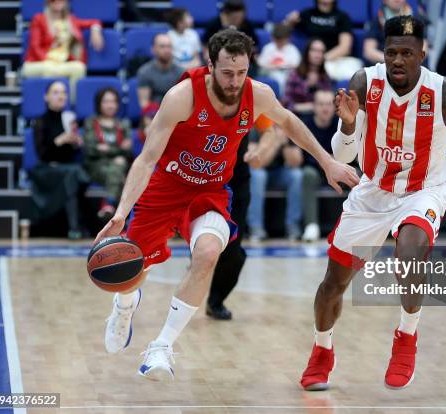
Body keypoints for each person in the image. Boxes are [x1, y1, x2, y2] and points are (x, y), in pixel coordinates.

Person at [94, 29, 359, 381]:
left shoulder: (258, 94)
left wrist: (327, 161)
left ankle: (162, 345)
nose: (235, 82)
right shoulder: (181, 97)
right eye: (227, 73)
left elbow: (288, 122)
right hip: (166, 188)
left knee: (207, 253)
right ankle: (125, 305)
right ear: (209, 66)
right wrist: (121, 213)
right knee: (129, 271)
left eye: (241, 72)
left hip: (210, 193)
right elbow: (145, 160)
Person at [299, 16, 446, 391]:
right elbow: (343, 155)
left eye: (407, 53)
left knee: (410, 254)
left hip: (423, 190)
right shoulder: (365, 83)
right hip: (373, 189)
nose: (398, 60)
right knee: (333, 284)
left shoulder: (445, 91)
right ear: (383, 53)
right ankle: (322, 350)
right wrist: (348, 127)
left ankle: (406, 336)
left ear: (422, 53)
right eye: (392, 52)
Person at [206, 114, 279, 320]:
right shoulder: (196, 93)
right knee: (205, 247)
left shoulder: (254, 95)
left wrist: (260, 150)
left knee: (233, 251)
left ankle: (215, 300)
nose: (235, 80)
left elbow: (269, 131)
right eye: (230, 77)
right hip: (202, 177)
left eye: (240, 77)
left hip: (236, 180)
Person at [30, 80, 89, 239]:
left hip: (66, 168)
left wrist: (76, 143)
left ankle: (74, 227)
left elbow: (71, 155)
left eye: (63, 92)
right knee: (75, 174)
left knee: (71, 174)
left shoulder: (69, 119)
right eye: (56, 92)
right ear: (46, 97)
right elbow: (42, 154)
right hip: (47, 169)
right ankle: (76, 226)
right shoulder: (40, 121)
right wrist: (59, 141)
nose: (61, 96)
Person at [22, 0, 104, 94]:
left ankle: (72, 103)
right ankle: (49, 103)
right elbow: (35, 46)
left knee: (79, 67)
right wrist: (49, 59)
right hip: (40, 63)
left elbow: (93, 22)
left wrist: (96, 29)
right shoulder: (39, 19)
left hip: (62, 64)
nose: (58, 1)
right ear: (48, 2)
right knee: (48, 69)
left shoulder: (71, 20)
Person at [247, 126, 304, 241]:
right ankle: (255, 227)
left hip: (278, 173)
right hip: (259, 171)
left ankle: (292, 226)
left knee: (296, 175)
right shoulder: (257, 128)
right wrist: (276, 144)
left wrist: (285, 144)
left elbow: (296, 162)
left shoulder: (288, 128)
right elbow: (257, 163)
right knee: (258, 175)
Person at [83, 87, 132, 219]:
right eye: (106, 101)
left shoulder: (123, 125)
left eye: (113, 101)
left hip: (118, 165)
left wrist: (106, 148)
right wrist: (117, 149)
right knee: (121, 176)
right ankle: (120, 219)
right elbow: (90, 149)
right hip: (96, 166)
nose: (110, 105)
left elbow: (128, 150)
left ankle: (109, 209)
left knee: (119, 168)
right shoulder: (91, 122)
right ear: (99, 103)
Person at [284, 0, 362, 81]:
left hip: (337, 59)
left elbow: (345, 47)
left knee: (355, 76)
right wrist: (289, 21)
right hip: (314, 60)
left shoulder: (342, 16)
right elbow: (281, 32)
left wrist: (322, 58)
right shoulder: (307, 14)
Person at [301, 89, 338, 242]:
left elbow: (351, 154)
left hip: (338, 169)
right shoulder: (305, 124)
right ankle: (311, 226)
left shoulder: (342, 123)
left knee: (360, 176)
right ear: (314, 106)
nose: (325, 108)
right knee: (307, 175)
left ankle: (361, 227)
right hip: (314, 169)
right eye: (321, 104)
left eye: (329, 104)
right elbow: (298, 158)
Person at [202, 0, 259, 73]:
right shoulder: (213, 24)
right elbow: (206, 47)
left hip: (242, 60)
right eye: (235, 17)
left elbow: (254, 47)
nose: (239, 20)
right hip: (218, 60)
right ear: (226, 14)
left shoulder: (248, 25)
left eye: (241, 17)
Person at [284, 38, 333, 115]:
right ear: (307, 52)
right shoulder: (295, 74)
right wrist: (307, 86)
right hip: (296, 117)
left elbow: (329, 102)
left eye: (321, 52)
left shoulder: (325, 76)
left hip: (317, 119)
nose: (318, 55)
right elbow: (286, 104)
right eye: (314, 50)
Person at [136, 33, 184, 110]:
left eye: (169, 46)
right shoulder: (145, 72)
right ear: (153, 49)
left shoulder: (181, 72)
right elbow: (144, 104)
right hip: (153, 115)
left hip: (175, 113)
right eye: (162, 46)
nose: (167, 50)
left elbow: (184, 100)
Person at [257, 23, 301, 96]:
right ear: (273, 38)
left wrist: (282, 66)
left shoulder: (292, 49)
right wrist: (273, 66)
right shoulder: (268, 48)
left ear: (287, 39)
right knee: (277, 76)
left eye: (282, 40)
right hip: (269, 72)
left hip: (287, 73)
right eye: (277, 40)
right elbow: (261, 63)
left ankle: (284, 98)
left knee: (284, 77)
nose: (279, 43)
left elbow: (296, 64)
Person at [363, 0, 414, 64]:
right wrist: (392, 60)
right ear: (384, 1)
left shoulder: (417, 20)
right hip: (384, 65)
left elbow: (423, 48)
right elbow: (369, 52)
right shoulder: (376, 21)